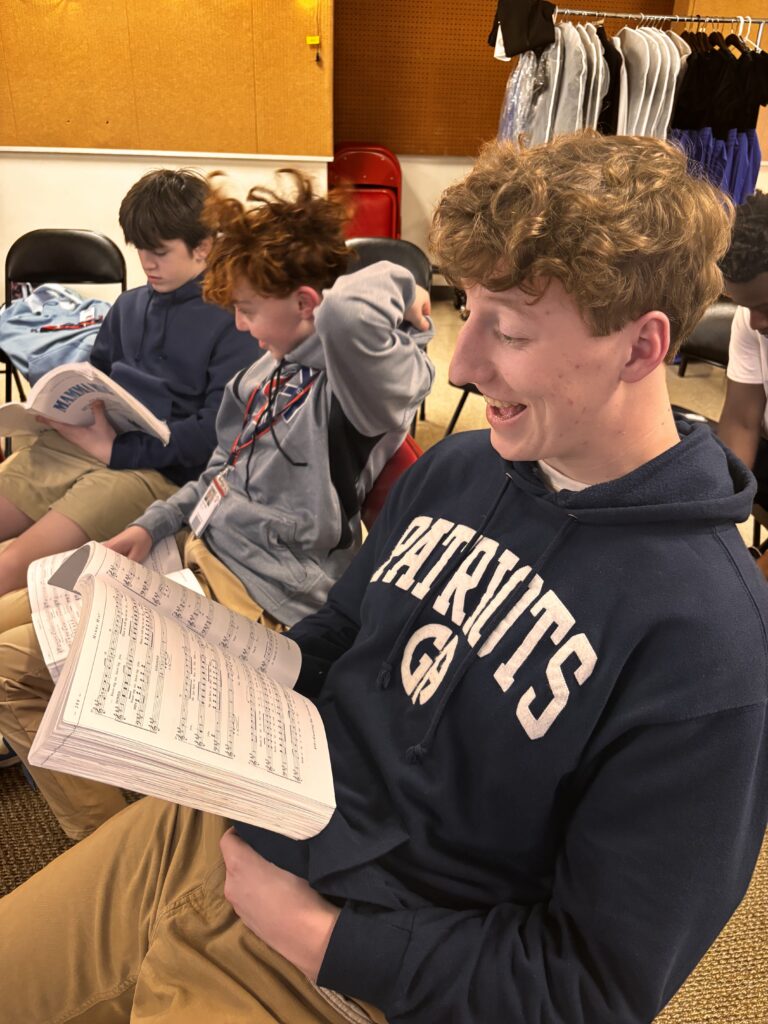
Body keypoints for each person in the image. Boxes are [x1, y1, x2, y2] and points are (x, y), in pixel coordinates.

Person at [2, 132, 767, 1024]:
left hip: (356, 968)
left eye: (509, 330)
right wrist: (192, 673)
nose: (461, 365)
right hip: (220, 829)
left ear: (640, 348)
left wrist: (323, 940)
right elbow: (339, 636)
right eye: (466, 310)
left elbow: (594, 985)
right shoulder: (460, 469)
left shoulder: (711, 644)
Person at [0, 169, 435, 837]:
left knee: (10, 672)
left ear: (307, 302)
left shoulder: (357, 391)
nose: (238, 323)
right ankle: (113, 813)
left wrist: (400, 283)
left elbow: (350, 310)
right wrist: (150, 527)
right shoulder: (261, 373)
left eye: (249, 307)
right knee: (12, 626)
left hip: (260, 594)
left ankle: (113, 847)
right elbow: (216, 472)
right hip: (188, 552)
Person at [0, 168, 255, 597]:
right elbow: (96, 376)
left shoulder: (236, 321)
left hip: (152, 472)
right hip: (83, 447)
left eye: (160, 251)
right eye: (140, 249)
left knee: (11, 567)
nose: (147, 263)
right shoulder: (129, 305)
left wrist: (117, 450)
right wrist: (58, 411)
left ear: (204, 247)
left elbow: (213, 435)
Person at [717, 191, 768, 515]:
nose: (754, 322)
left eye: (765, 307)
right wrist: (720, 510)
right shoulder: (750, 320)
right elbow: (742, 421)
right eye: (746, 307)